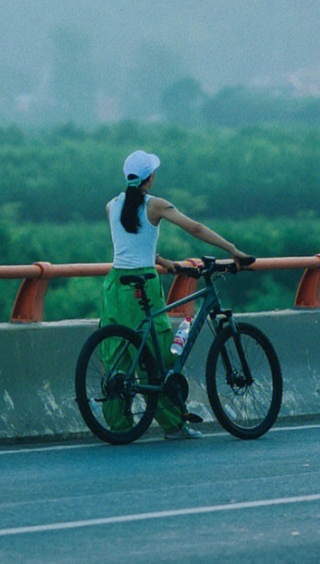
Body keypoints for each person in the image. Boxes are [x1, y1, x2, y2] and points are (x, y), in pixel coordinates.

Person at [101, 148, 254, 439]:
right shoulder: (155, 206)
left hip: (115, 285)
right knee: (158, 353)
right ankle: (173, 424)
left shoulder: (112, 205)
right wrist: (233, 250)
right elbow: (194, 228)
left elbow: (128, 244)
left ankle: (118, 426)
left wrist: (162, 261)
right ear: (151, 177)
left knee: (119, 353)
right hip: (142, 287)